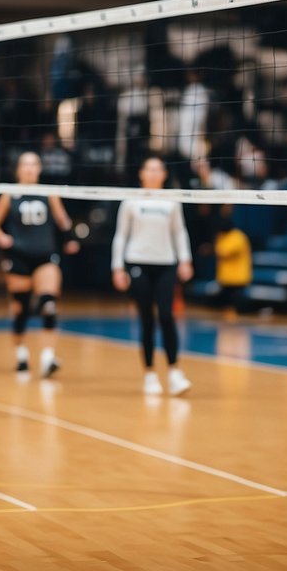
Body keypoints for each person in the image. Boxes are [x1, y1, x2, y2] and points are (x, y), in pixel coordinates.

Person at [0, 151, 79, 377]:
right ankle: (21, 354)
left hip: (45, 256)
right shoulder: (10, 194)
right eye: (25, 165)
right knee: (21, 309)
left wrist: (70, 238)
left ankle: (48, 358)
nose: (29, 169)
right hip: (18, 256)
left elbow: (62, 220)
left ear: (39, 169)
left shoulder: (48, 193)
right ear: (19, 169)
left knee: (49, 305)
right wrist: (1, 238)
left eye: (33, 164)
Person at [110, 156, 194, 396]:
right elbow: (121, 236)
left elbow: (179, 232)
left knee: (167, 316)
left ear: (164, 174)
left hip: (166, 264)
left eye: (158, 170)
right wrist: (117, 267)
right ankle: (149, 374)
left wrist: (185, 259)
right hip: (138, 263)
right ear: (141, 173)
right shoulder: (131, 202)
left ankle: (175, 373)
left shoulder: (172, 201)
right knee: (146, 319)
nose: (154, 173)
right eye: (149, 169)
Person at [213, 209, 252, 317]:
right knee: (225, 303)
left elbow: (223, 252)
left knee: (237, 303)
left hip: (238, 277)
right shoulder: (222, 236)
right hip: (226, 276)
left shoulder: (238, 237)